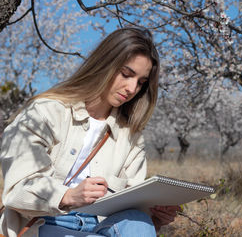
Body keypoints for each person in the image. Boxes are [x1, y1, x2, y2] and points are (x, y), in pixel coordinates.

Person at [0, 27, 180, 237]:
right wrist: (67, 196)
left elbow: (131, 204)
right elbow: (18, 188)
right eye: (126, 74)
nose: (132, 88)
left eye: (141, 82)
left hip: (101, 227)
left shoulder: (131, 137)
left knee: (139, 221)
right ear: (104, 64)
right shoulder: (44, 112)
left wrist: (155, 215)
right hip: (42, 224)